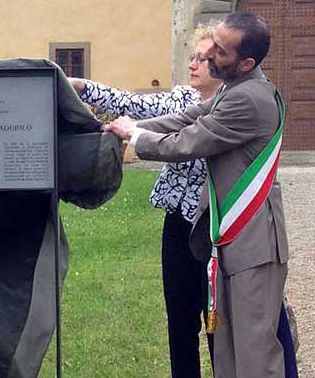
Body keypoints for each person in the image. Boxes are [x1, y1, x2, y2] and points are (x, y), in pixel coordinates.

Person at [106, 12, 289, 378]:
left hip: (252, 243)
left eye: (219, 50)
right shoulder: (236, 87)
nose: (207, 56)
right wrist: (130, 126)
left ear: (245, 62)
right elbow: (187, 118)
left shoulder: (248, 99)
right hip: (236, 239)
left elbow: (188, 141)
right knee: (229, 348)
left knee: (253, 352)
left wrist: (135, 137)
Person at [69, 23, 220, 378]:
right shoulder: (181, 99)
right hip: (179, 224)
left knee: (219, 322)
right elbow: (130, 103)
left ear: (224, 63)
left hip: (218, 225)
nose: (192, 64)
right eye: (192, 56)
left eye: (202, 59)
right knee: (180, 319)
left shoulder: (235, 104)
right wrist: (80, 86)